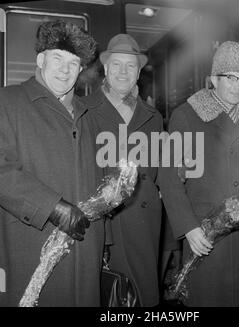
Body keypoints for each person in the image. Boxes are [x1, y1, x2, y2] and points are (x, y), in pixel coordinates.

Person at [0, 20, 105, 306]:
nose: (65, 69)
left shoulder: (90, 116)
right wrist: (52, 207)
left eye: (73, 63)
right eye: (57, 58)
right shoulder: (7, 102)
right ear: (40, 59)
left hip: (85, 253)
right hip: (30, 248)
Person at [158, 41, 239, 306]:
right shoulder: (187, 116)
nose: (237, 86)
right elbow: (169, 177)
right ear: (213, 79)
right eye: (230, 78)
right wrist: (189, 228)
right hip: (204, 236)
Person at [84, 34, 163, 306]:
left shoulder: (154, 118)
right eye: (116, 64)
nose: (123, 72)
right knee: (109, 299)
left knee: (144, 299)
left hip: (144, 223)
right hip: (103, 225)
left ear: (139, 73)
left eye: (131, 66)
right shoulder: (83, 112)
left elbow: (158, 174)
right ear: (106, 68)